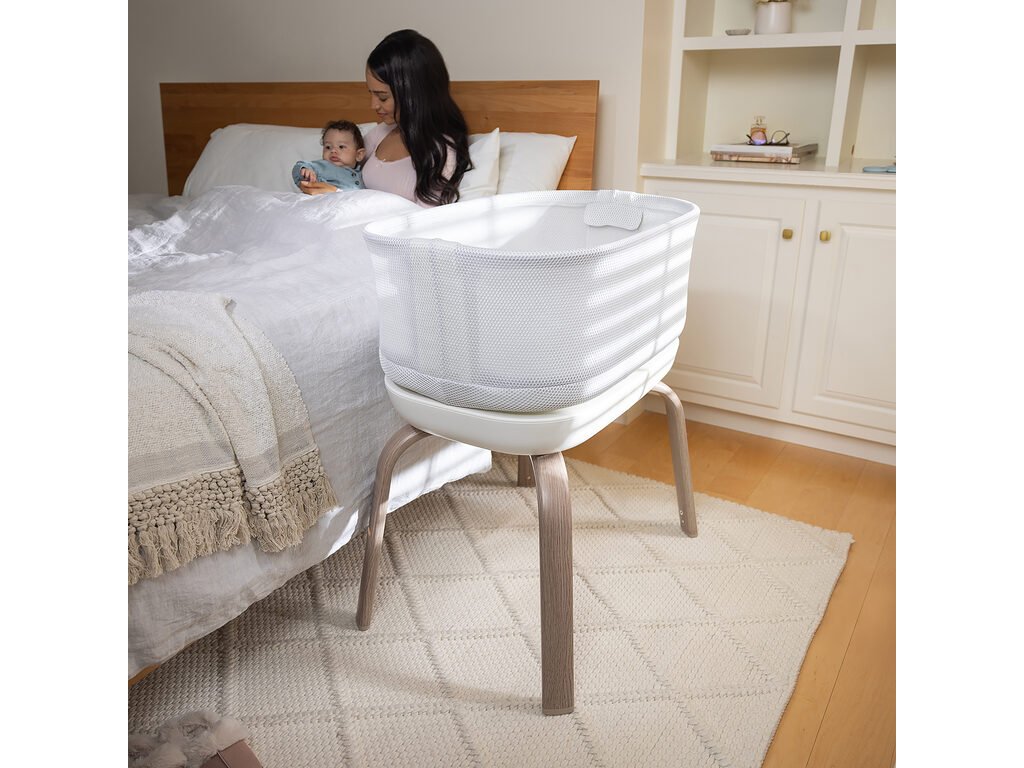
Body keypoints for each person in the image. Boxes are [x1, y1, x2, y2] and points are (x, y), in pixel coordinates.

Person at [299, 29, 471, 207]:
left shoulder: (439, 152)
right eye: (371, 93)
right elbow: (340, 167)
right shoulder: (382, 132)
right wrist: (316, 182)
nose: (373, 105)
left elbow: (423, 219)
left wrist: (338, 195)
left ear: (414, 94)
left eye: (382, 97)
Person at [292, 120, 366, 192]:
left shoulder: (363, 174)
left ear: (359, 155)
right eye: (328, 147)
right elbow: (301, 165)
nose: (333, 150)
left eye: (341, 147)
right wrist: (305, 170)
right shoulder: (323, 166)